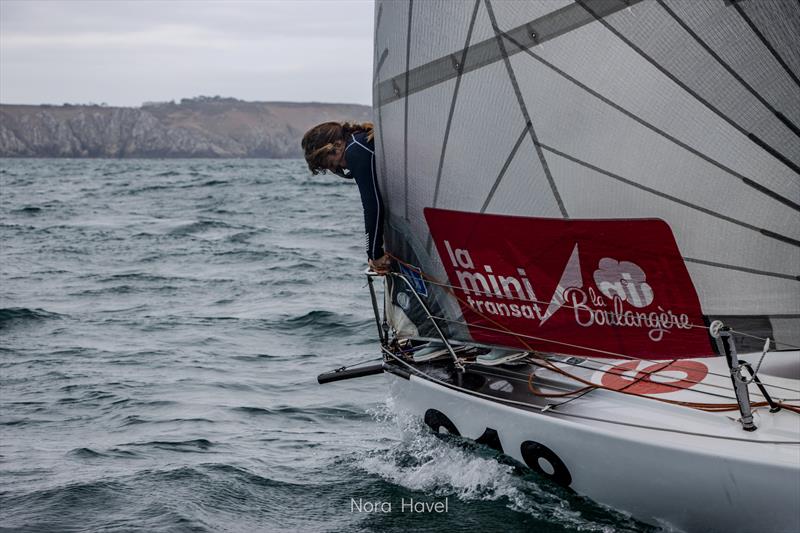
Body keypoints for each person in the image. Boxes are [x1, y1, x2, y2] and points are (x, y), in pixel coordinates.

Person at [301, 121, 391, 274]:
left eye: (331, 165)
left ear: (336, 146)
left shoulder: (355, 151)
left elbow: (372, 207)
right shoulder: (358, 141)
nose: (339, 168)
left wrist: (374, 255)